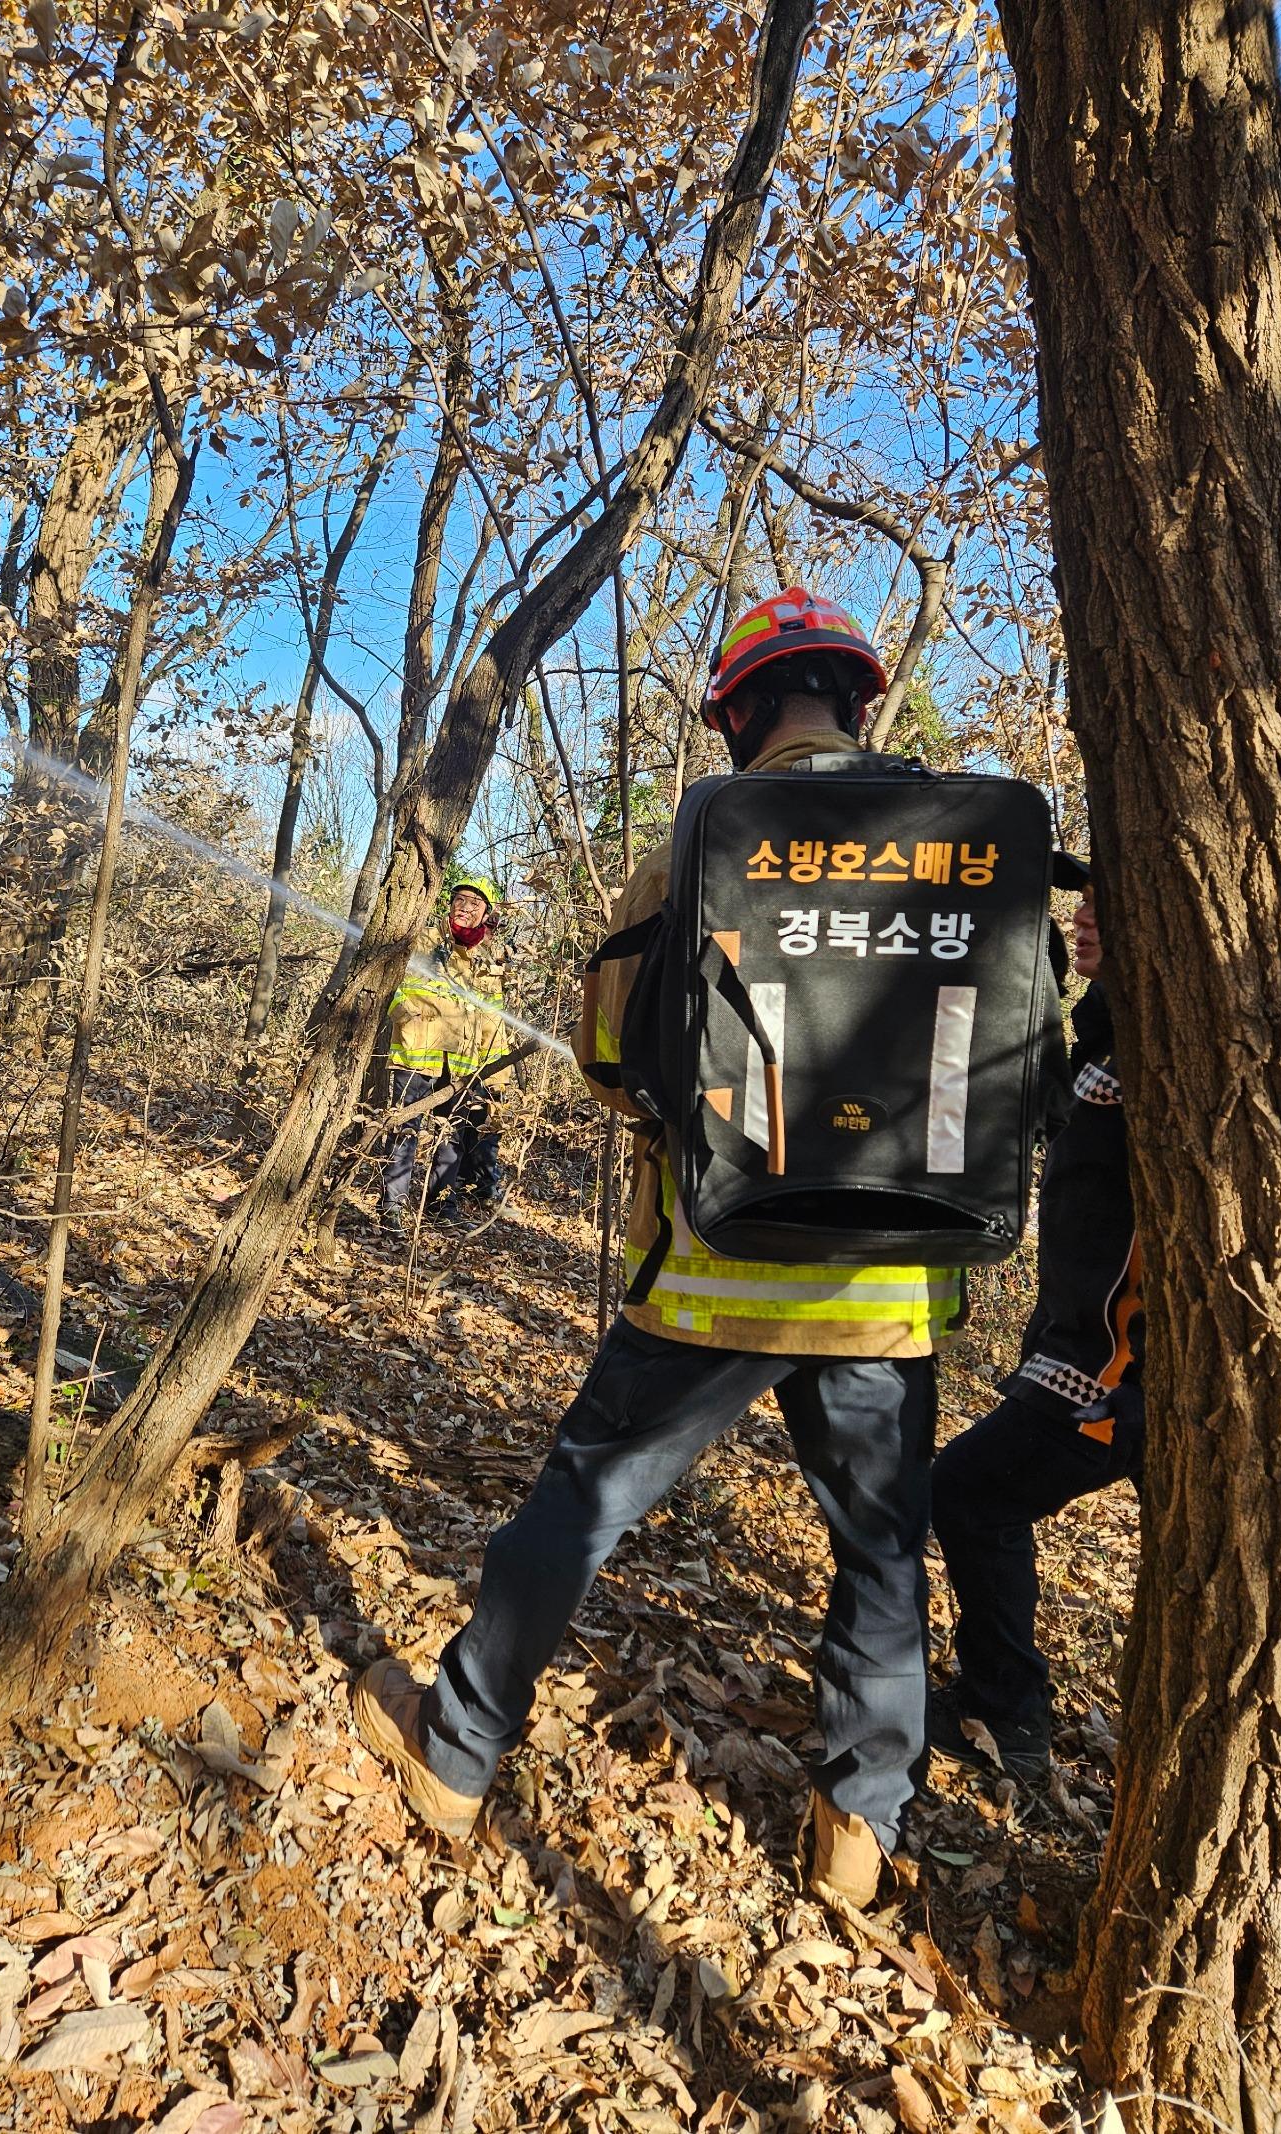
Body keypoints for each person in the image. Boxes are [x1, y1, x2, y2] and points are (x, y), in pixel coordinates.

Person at [351, 589, 968, 1909]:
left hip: (708, 1275)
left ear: (740, 709)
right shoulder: (945, 841)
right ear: (858, 700)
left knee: (579, 1509)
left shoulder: (704, 833)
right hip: (884, 1290)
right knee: (878, 1554)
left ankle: (454, 1760)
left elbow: (608, 1054)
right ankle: (855, 1837)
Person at [928, 881, 1142, 1780]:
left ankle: (1009, 1715)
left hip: (1116, 1371)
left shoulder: (1172, 1054)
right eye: (1085, 899)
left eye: (1111, 903)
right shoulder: (1116, 1037)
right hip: (1080, 1351)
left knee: (972, 1490)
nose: (1086, 915)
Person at [378, 875, 511, 1233]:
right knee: (405, 1130)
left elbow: (493, 1020)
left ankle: (441, 1206)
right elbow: (390, 984)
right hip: (418, 1054)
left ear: (487, 913)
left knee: (450, 1138)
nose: (466, 907)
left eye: (475, 903)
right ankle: (392, 1206)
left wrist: (496, 1075)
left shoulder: (487, 957)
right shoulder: (426, 939)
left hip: (463, 1065)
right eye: (461, 899)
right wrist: (409, 1018)